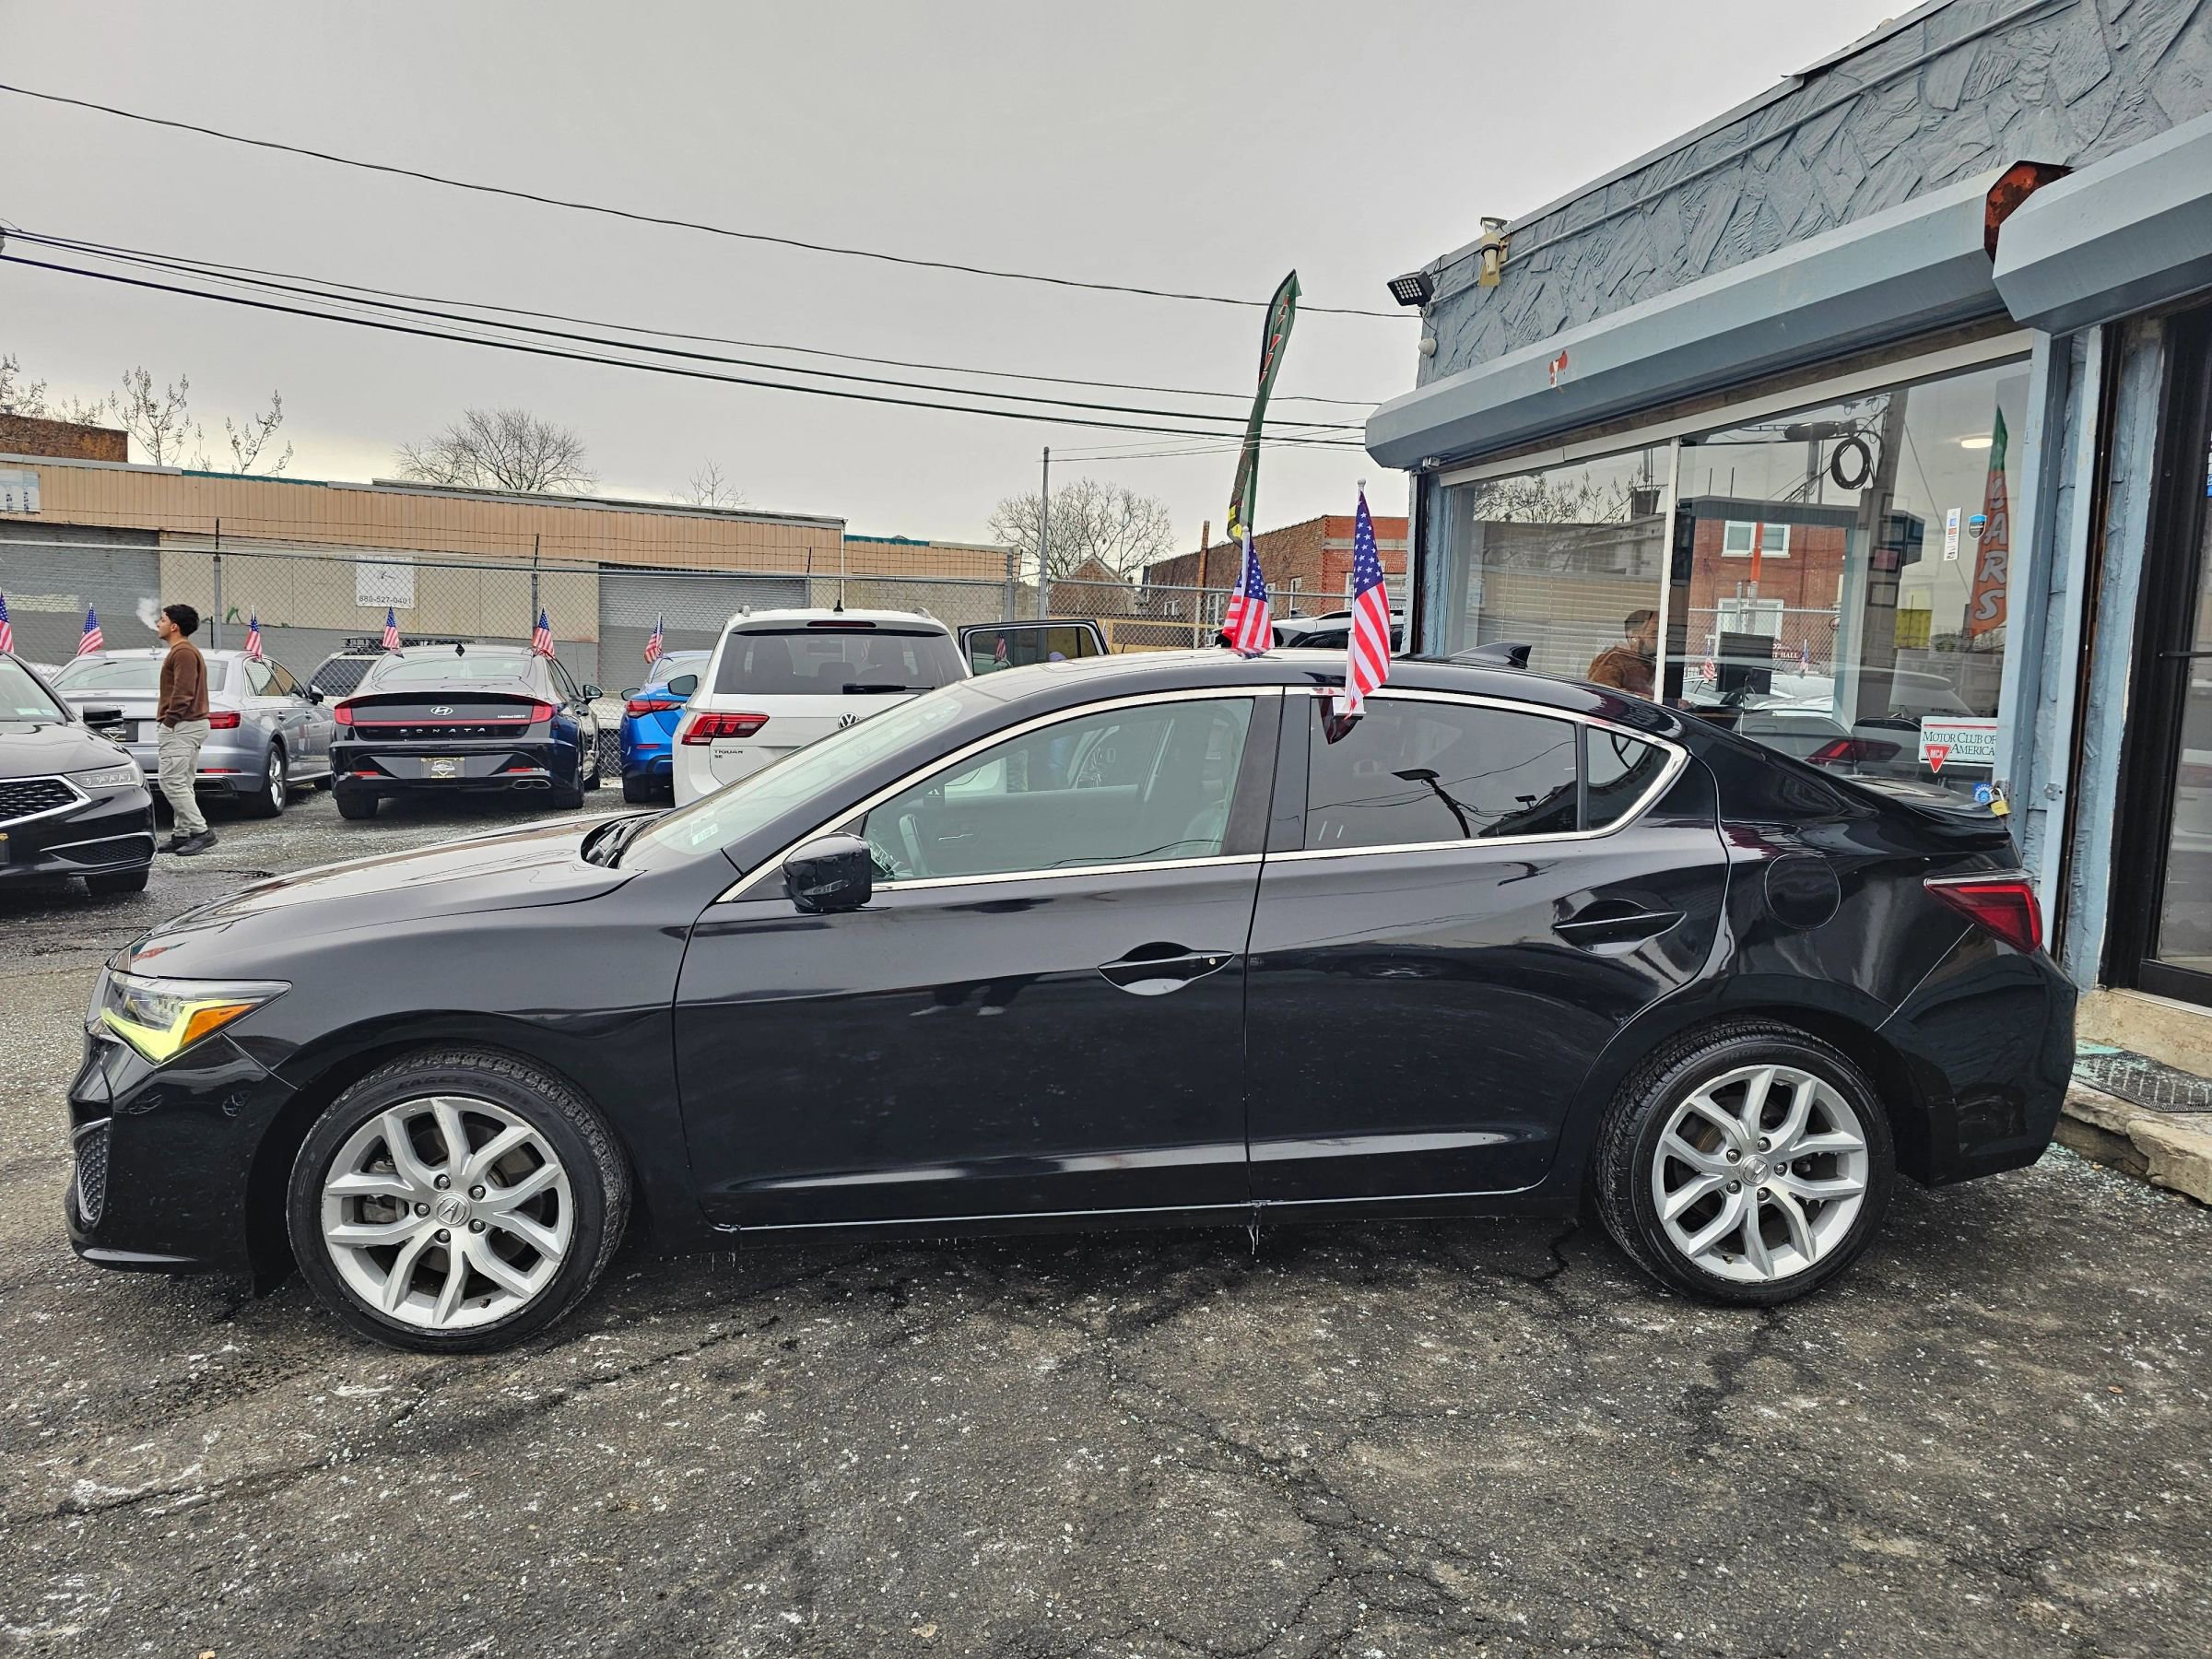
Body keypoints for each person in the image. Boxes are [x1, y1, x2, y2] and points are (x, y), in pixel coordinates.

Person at [154, 601, 218, 854]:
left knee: (170, 781)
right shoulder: (184, 652)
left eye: (163, 619)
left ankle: (201, 832)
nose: (159, 624)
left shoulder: (182, 653)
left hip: (183, 725)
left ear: (175, 626)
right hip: (188, 724)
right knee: (183, 781)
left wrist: (170, 721)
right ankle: (182, 834)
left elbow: (183, 691)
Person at [1587, 608, 1659, 698]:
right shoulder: (1614, 662)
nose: (1660, 639)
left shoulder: (1650, 664)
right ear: (1633, 635)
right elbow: (1603, 695)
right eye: (1654, 633)